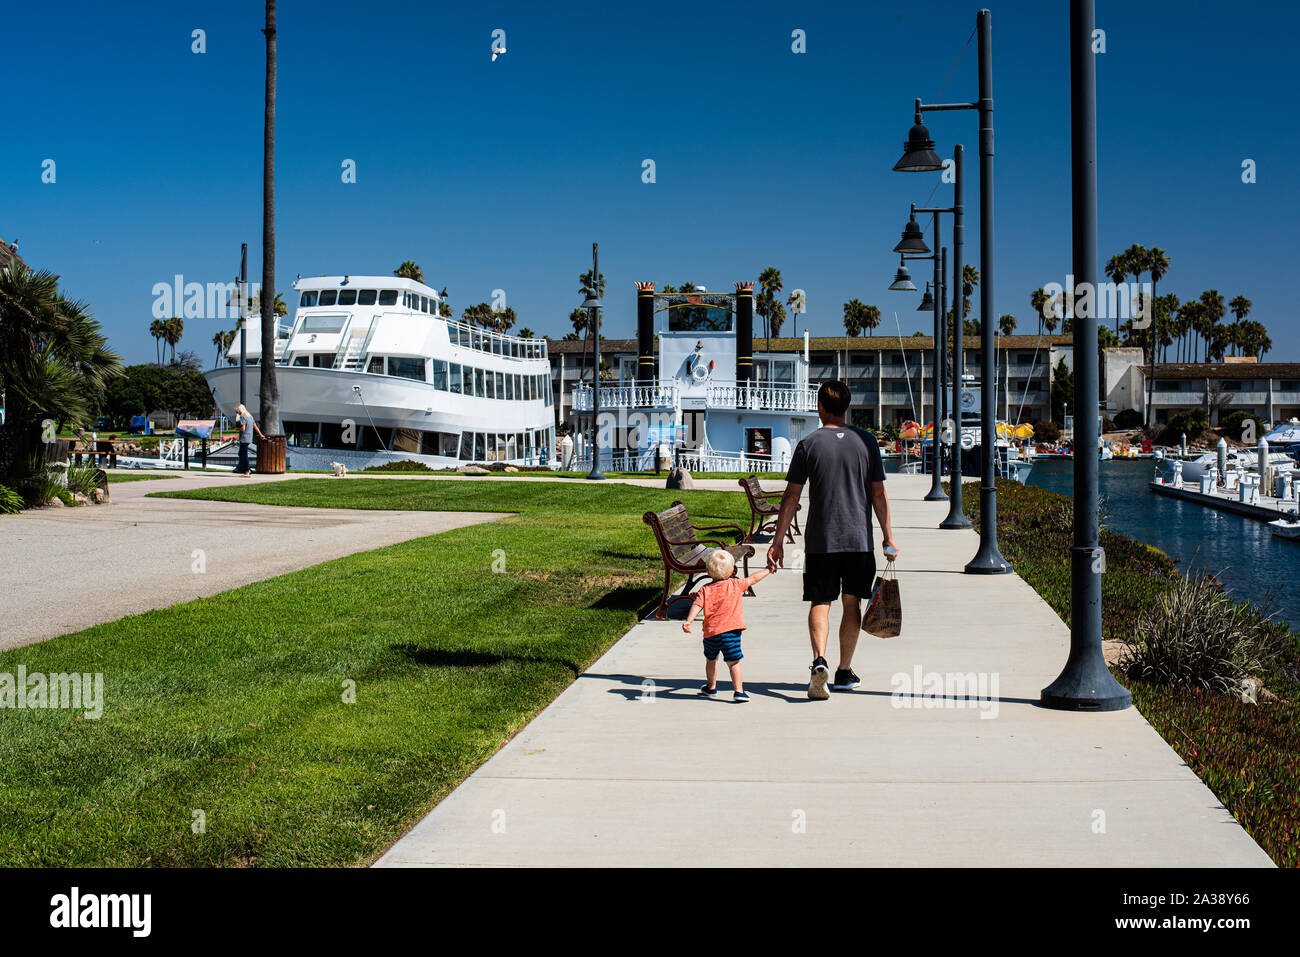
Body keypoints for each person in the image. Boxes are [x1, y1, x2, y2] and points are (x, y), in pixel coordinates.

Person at [768, 380, 898, 700]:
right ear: (847, 407)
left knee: (820, 603)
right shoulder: (866, 442)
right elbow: (878, 495)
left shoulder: (808, 444)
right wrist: (888, 538)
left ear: (820, 406)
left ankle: (819, 662)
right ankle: (843, 670)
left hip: (821, 541)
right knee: (851, 602)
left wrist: (778, 541)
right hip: (858, 540)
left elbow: (791, 496)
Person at [682, 549, 773, 703]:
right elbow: (753, 579)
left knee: (711, 660)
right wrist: (768, 570)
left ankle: (711, 687)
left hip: (711, 633)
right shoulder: (736, 584)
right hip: (731, 633)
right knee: (734, 662)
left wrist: (689, 621)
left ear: (708, 571)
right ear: (731, 570)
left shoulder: (705, 589)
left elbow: (697, 605)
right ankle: (739, 691)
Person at [234, 403, 266, 477]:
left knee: (244, 455)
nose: (237, 412)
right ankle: (243, 468)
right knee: (241, 454)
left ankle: (247, 471)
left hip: (244, 438)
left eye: (237, 411)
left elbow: (243, 428)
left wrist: (236, 428)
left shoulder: (242, 417)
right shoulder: (250, 416)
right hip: (249, 438)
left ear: (240, 410)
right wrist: (261, 435)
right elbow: (255, 427)